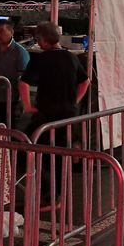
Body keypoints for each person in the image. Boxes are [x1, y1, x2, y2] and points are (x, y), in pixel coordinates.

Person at [19, 22, 90, 203]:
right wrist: (75, 101)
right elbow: (85, 81)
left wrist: (27, 105)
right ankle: (58, 192)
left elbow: (24, 82)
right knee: (59, 152)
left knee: (29, 148)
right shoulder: (71, 57)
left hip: (47, 114)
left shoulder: (42, 59)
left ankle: (52, 194)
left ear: (42, 40)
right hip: (67, 113)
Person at [0, 19, 29, 124]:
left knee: (8, 131)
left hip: (10, 99)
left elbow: (24, 78)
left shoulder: (20, 52)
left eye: (1, 31)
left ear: (11, 32)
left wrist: (22, 102)